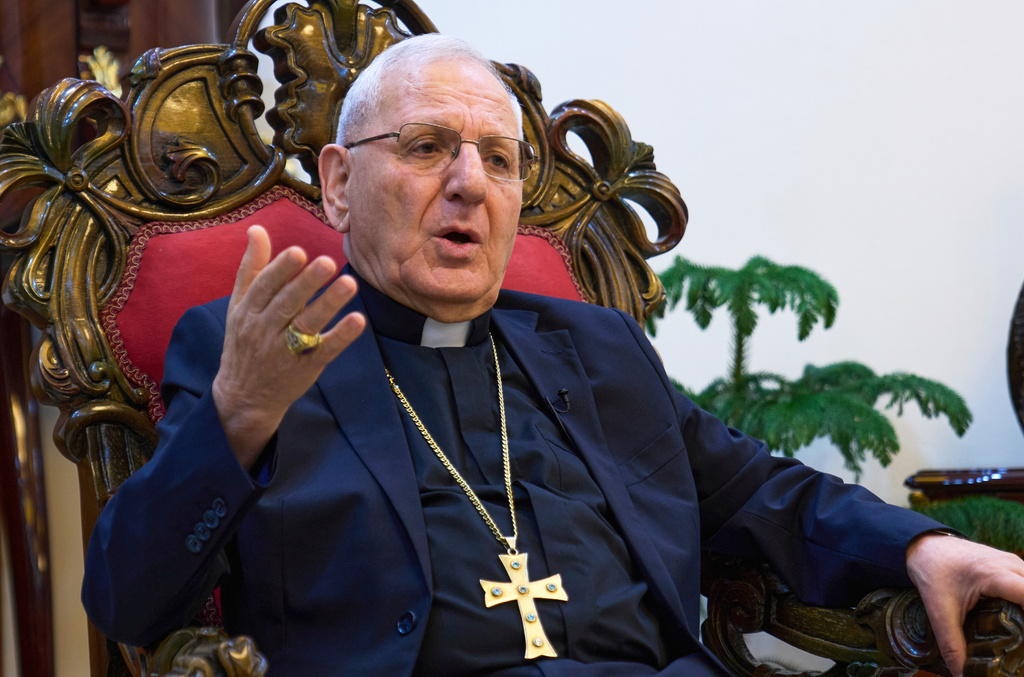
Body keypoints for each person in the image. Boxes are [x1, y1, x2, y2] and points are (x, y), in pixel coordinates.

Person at [82, 34, 1024, 677]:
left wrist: (921, 542)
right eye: (426, 146)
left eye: (498, 159)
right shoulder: (246, 347)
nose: (468, 185)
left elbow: (755, 493)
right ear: (338, 182)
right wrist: (239, 419)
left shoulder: (595, 346)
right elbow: (128, 602)